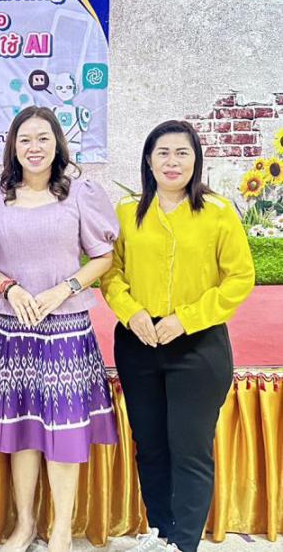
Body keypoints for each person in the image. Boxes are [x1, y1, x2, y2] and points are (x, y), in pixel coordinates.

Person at [101, 120, 254, 552]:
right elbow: (111, 272)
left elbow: (240, 278)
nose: (172, 162)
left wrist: (186, 319)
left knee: (190, 448)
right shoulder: (127, 212)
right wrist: (132, 313)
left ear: (195, 160)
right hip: (139, 344)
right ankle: (162, 533)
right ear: (148, 161)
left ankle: (185, 543)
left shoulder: (218, 212)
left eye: (182, 153)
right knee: (150, 446)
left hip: (198, 347)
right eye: (163, 153)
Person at [0, 106, 119, 552]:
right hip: (11, 330)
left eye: (42, 139)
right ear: (12, 147)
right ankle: (24, 524)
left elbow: (103, 257)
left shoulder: (79, 193)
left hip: (66, 329)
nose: (34, 148)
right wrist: (7, 286)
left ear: (57, 144)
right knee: (22, 431)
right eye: (25, 140)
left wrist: (64, 289)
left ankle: (61, 530)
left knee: (65, 430)